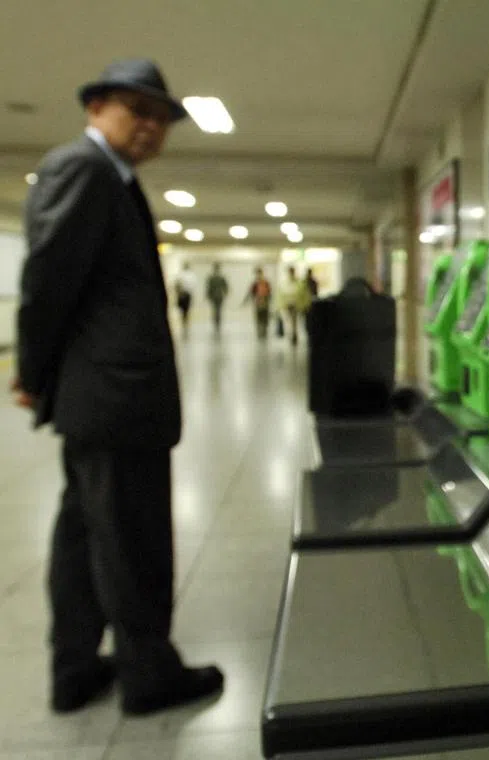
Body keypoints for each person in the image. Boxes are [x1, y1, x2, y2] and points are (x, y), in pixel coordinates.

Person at [12, 59, 224, 716]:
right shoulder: (84, 167)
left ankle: (74, 670)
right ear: (97, 106)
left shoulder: (111, 178)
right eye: (140, 111)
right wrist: (33, 372)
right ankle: (148, 673)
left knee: (82, 537)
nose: (153, 128)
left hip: (102, 398)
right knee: (132, 538)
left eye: (161, 118)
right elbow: (48, 279)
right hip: (114, 397)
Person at [244, 266, 273, 340]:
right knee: (258, 318)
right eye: (257, 273)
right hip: (257, 303)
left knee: (265, 318)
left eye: (260, 273)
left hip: (265, 303)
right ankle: (260, 332)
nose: (259, 275)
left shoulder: (266, 283)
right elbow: (250, 293)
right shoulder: (255, 283)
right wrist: (245, 301)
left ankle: (264, 332)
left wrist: (268, 301)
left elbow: (270, 293)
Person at [205, 263, 229, 335]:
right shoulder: (212, 278)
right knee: (216, 310)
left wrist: (225, 292)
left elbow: (225, 287)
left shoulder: (219, 277)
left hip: (218, 296)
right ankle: (216, 323)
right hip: (215, 296)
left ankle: (217, 323)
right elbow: (209, 287)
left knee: (217, 310)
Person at [172, 262, 195, 337]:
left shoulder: (181, 275)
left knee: (183, 310)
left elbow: (176, 285)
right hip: (185, 294)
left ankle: (184, 321)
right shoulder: (190, 275)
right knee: (185, 310)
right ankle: (184, 321)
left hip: (183, 295)